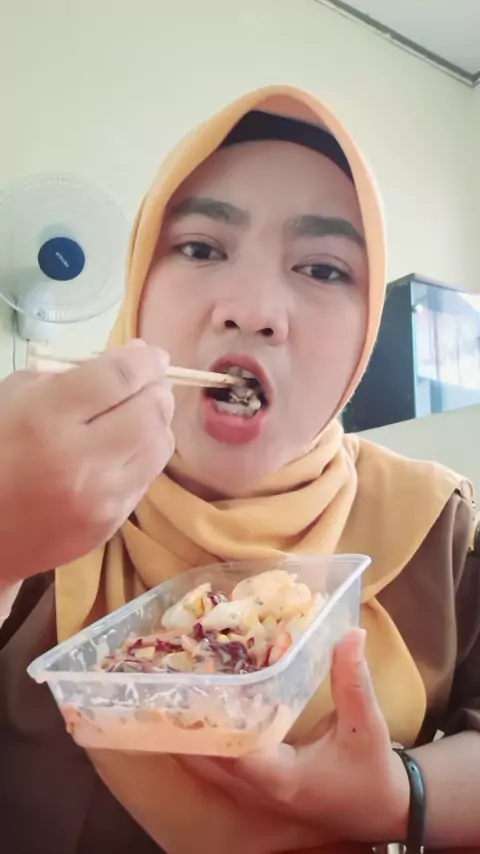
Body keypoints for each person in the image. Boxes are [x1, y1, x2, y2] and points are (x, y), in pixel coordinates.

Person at [0, 86, 479, 854]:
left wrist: (400, 797)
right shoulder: (41, 493)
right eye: (200, 249)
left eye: (321, 268)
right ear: (138, 288)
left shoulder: (438, 524)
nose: (252, 309)